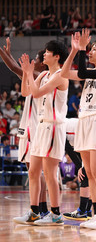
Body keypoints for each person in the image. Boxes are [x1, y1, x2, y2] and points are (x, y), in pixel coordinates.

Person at [61, 28, 96, 229]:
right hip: (83, 120)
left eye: (94, 49)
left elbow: (83, 71)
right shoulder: (90, 73)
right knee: (90, 173)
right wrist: (75, 50)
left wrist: (82, 50)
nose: (91, 52)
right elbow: (65, 72)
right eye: (90, 49)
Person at [17, 40, 69, 226]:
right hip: (41, 126)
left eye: (47, 52)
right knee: (33, 171)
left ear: (56, 56)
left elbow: (37, 93)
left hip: (54, 126)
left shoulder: (61, 75)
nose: (43, 55)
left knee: (50, 173)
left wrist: (31, 74)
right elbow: (26, 92)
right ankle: (34, 212)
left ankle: (55, 214)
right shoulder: (45, 74)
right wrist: (26, 73)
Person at [2, 40, 49, 220]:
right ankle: (41, 209)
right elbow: (16, 68)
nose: (33, 61)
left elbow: (15, 68)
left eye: (36, 58)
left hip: (34, 127)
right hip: (29, 127)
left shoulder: (41, 75)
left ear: (42, 63)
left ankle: (40, 209)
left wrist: (3, 53)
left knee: (36, 171)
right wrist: (8, 53)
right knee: (34, 171)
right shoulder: (34, 75)